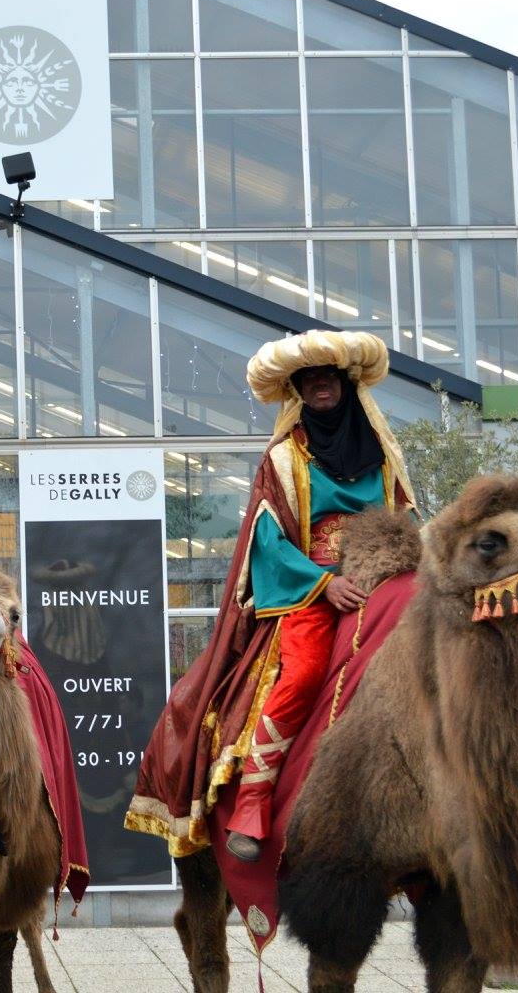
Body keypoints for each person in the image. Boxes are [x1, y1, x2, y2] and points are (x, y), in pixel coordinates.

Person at [125, 330, 416, 864]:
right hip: (312, 590)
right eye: (308, 379)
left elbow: (407, 521)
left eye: (328, 375)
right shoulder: (283, 458)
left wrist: (389, 570)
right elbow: (267, 540)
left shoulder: (383, 457)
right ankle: (253, 804)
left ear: (348, 384)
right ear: (297, 392)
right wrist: (326, 584)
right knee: (302, 673)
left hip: (382, 583)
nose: (319, 384)